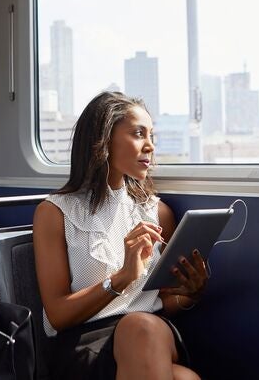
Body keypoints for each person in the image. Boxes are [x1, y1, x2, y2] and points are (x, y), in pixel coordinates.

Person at [34, 91, 207, 380]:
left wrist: (191, 294)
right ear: (103, 140)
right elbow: (58, 315)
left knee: (142, 325)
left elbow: (163, 302)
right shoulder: (55, 213)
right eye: (139, 134)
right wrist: (122, 278)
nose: (150, 145)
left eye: (151, 135)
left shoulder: (158, 213)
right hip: (87, 341)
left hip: (152, 335)